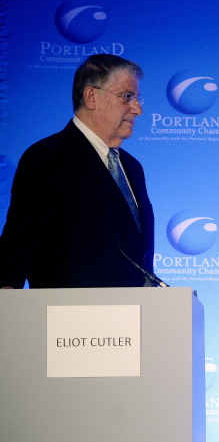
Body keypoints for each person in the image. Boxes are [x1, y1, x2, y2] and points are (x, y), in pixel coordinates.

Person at [0, 54, 154, 288]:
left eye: (137, 98)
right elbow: (21, 240)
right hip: (70, 316)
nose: (137, 109)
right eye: (127, 97)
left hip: (135, 314)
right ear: (92, 97)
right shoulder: (48, 157)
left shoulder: (132, 167)